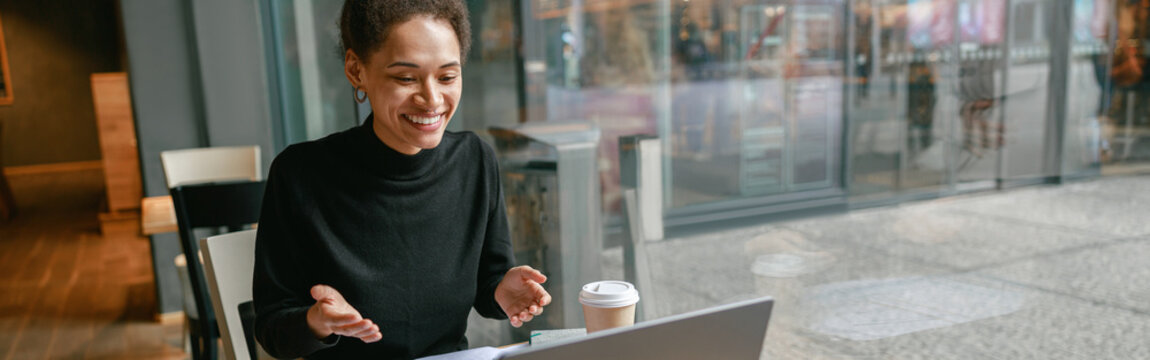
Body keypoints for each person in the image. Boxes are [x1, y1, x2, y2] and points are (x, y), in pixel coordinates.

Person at [252, 1, 551, 358]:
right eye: (406, 78)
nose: (432, 99)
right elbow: (272, 330)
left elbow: (489, 283)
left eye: (447, 77)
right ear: (356, 70)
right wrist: (317, 321)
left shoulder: (475, 161)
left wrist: (502, 291)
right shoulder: (299, 174)